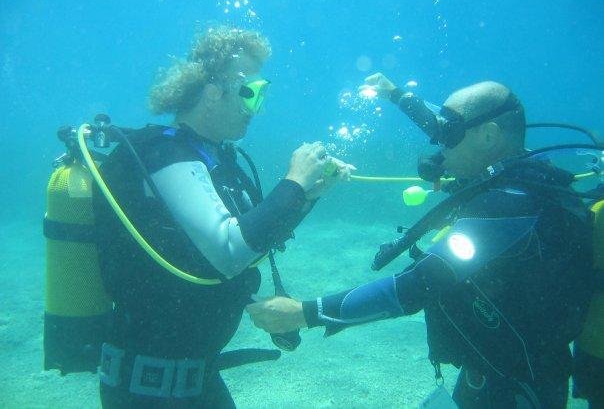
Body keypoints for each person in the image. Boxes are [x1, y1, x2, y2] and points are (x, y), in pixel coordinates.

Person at [247, 74, 595, 408]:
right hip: (493, 369)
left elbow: (416, 286)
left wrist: (304, 313)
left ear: (489, 136)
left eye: (448, 134)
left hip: (514, 389)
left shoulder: (507, 206)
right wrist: (395, 94)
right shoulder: (521, 174)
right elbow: (443, 122)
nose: (438, 147)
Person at [92, 26, 353, 408]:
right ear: (213, 93)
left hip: (195, 376)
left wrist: (308, 195)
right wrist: (294, 183)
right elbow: (228, 252)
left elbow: (254, 238)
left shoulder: (215, 158)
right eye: (250, 92)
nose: (256, 107)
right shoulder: (163, 154)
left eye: (261, 94)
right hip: (148, 386)